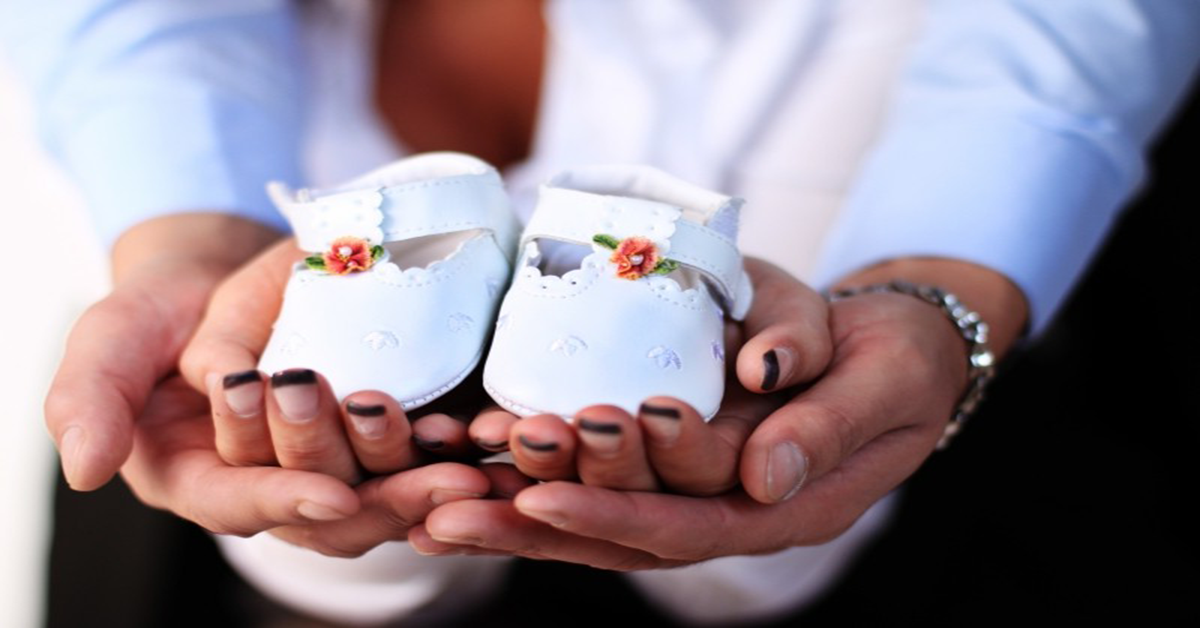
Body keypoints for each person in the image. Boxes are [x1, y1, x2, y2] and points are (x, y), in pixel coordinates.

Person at [5, 0, 1197, 623]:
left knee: (792, 538)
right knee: (303, 557)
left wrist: (940, 273)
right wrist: (183, 229)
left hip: (964, 521)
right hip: (233, 553)